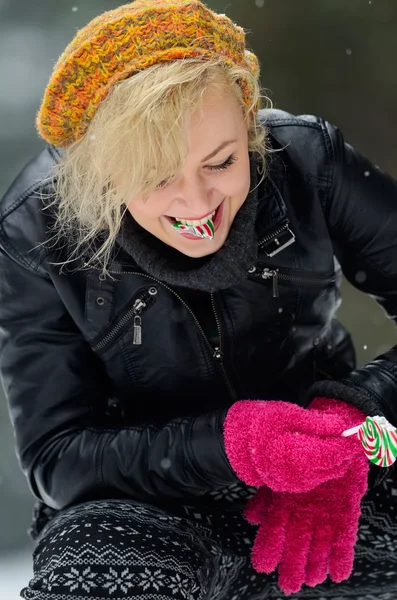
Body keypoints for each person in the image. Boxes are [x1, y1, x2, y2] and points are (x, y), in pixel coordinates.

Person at [0, 0, 396, 598]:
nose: (196, 204)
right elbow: (58, 459)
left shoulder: (309, 160)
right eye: (155, 176)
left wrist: (355, 416)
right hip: (140, 501)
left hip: (329, 455)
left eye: (222, 161)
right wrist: (232, 445)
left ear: (249, 122)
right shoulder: (35, 230)